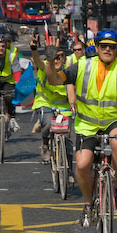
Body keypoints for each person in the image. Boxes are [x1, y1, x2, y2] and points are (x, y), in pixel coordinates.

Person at [44, 29, 117, 228]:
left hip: (114, 121)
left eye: (112, 47)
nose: (107, 50)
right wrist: (50, 62)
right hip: (87, 124)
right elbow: (54, 80)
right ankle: (87, 204)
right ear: (96, 47)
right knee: (83, 164)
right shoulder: (82, 66)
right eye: (103, 46)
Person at [29, 33, 73, 170]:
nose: (57, 59)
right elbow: (36, 60)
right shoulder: (44, 68)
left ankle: (69, 169)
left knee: (68, 138)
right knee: (48, 122)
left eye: (60, 57)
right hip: (45, 102)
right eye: (54, 56)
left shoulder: (69, 71)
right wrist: (34, 50)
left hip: (63, 105)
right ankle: (45, 145)